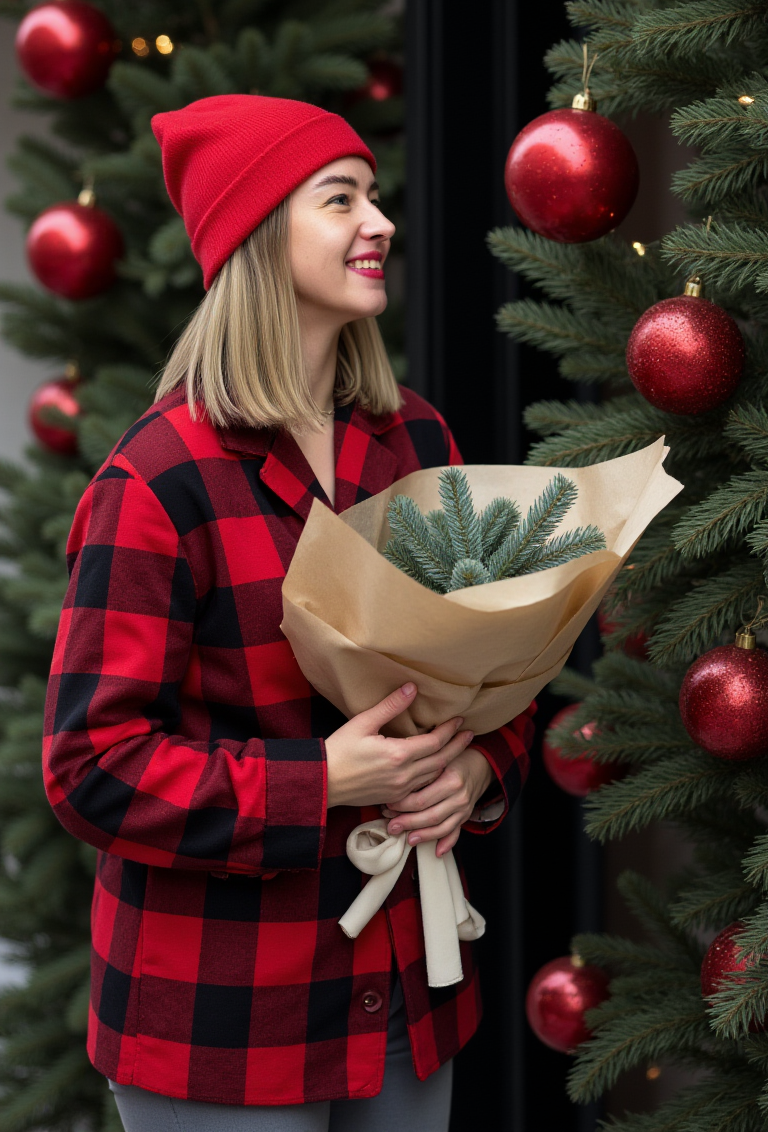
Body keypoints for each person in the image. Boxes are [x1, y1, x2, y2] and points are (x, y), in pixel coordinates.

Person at [43, 94, 535, 1131]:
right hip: (221, 1026)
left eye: (376, 196)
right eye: (340, 197)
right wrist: (322, 782)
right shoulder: (159, 477)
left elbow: (495, 660)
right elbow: (91, 765)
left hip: (406, 990)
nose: (381, 222)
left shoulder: (418, 443)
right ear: (261, 233)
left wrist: (478, 771)